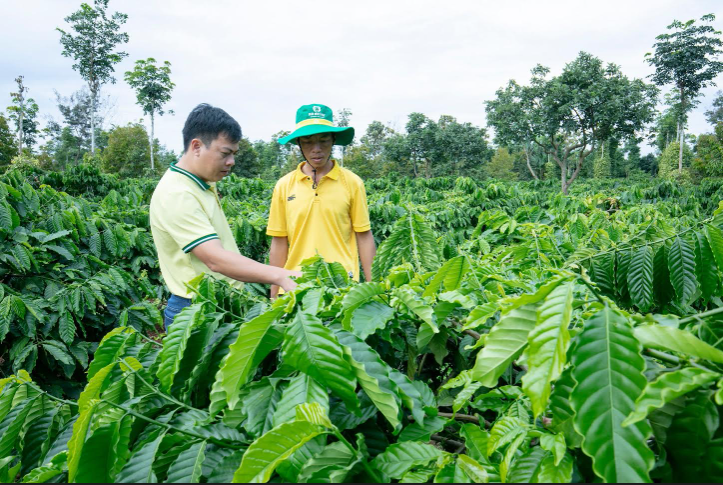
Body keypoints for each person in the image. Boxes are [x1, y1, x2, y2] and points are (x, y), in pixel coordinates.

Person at [150, 103, 301, 328]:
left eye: (234, 154)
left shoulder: (200, 184)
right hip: (197, 311)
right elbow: (215, 259)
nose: (231, 162)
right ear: (197, 146)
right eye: (225, 153)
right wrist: (280, 276)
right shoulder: (178, 193)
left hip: (219, 304)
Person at [267, 104, 376, 297]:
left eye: (324, 141)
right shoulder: (284, 186)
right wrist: (274, 294)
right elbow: (279, 241)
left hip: (342, 285)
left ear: (333, 141)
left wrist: (374, 287)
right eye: (308, 141)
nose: (316, 149)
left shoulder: (352, 182)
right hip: (294, 286)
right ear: (299, 143)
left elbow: (364, 236)